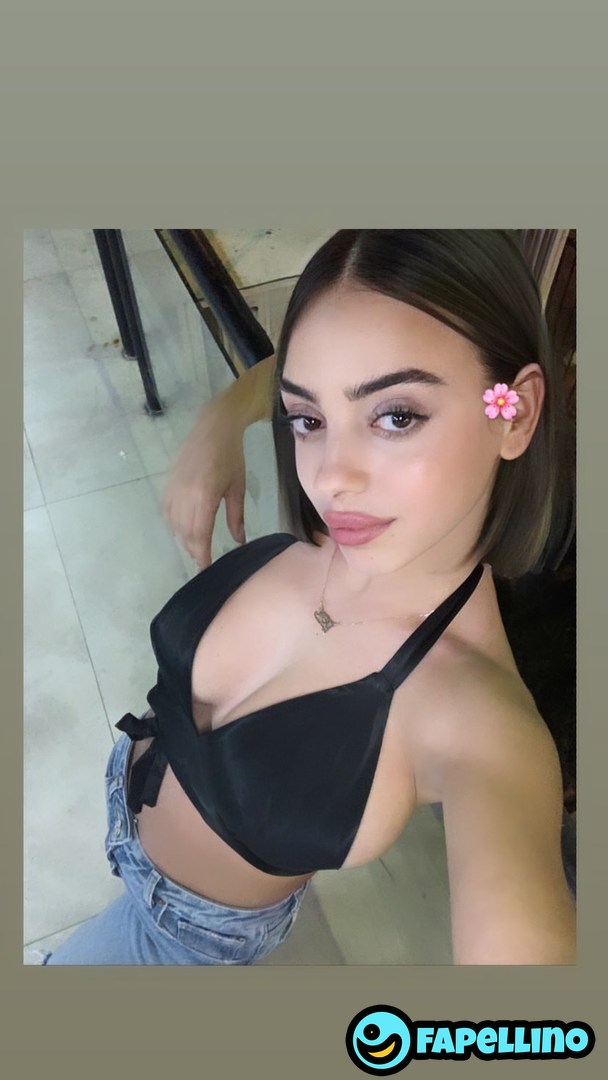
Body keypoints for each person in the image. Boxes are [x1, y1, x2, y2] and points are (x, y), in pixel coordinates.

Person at [45, 230, 575, 965]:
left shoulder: (481, 727)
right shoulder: (358, 525)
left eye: (396, 416)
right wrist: (222, 415)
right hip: (125, 824)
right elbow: (298, 371)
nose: (329, 477)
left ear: (512, 414)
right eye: (308, 420)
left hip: (173, 939)